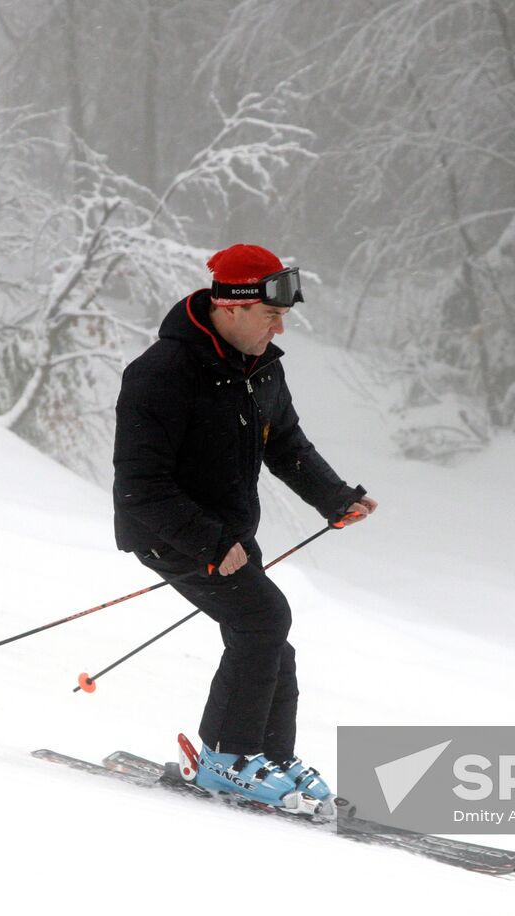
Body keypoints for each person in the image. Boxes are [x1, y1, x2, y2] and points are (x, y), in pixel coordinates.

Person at [112, 243, 377, 816]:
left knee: (269, 633)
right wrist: (209, 540)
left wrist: (334, 498)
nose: (280, 328)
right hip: (170, 532)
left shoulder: (261, 368)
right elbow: (139, 486)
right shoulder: (161, 374)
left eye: (283, 317)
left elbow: (285, 443)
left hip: (227, 536)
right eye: (271, 315)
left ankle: (269, 759)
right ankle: (227, 758)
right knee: (263, 620)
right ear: (229, 308)